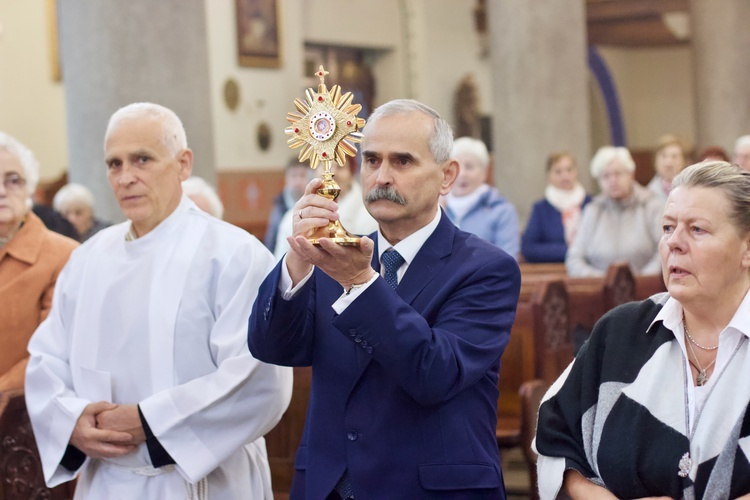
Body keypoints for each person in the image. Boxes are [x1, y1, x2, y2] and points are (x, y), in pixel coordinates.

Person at [248, 99, 521, 499]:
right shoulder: (337, 256)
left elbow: (435, 372)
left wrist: (360, 283)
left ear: (447, 176)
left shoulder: (485, 268)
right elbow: (271, 346)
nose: (382, 177)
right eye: (372, 160)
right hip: (328, 486)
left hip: (428, 489)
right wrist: (297, 260)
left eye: (403, 162)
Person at [25, 103, 292, 499]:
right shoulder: (88, 258)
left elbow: (260, 378)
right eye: (114, 164)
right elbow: (47, 359)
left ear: (183, 164)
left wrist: (150, 423)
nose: (125, 177)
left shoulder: (233, 253)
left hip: (201, 480)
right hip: (107, 480)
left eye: (142, 159)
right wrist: (72, 421)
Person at [535, 161, 750, 499]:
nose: (673, 244)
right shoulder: (621, 331)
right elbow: (555, 440)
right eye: (667, 227)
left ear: (747, 248)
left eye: (697, 229)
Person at [0, 132, 78, 391]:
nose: (1, 191)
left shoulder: (63, 255)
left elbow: (50, 354)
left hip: (20, 415)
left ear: (29, 189)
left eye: (13, 181)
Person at [566, 146, 663, 277]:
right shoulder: (593, 210)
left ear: (631, 174)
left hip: (647, 290)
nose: (612, 180)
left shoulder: (651, 206)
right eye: (606, 176)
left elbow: (664, 251)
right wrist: (602, 280)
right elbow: (574, 258)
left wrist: (641, 280)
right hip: (600, 290)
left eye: (618, 174)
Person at [273, 156, 377, 260]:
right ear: (314, 173)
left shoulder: (370, 217)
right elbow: (282, 266)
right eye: (325, 166)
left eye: (340, 167)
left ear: (351, 175)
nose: (333, 172)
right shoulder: (292, 218)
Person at [444, 136, 520, 259]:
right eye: (456, 167)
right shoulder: (434, 208)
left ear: (484, 172)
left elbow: (508, 260)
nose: (462, 174)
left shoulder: (501, 210)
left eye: (469, 167)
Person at [521, 152, 591, 263]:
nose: (565, 176)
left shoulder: (591, 204)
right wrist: (571, 251)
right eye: (558, 172)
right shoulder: (541, 209)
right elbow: (529, 249)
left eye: (569, 170)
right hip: (556, 268)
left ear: (576, 172)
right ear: (548, 175)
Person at [264, 158, 308, 252]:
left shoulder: (315, 205)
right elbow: (271, 242)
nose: (298, 181)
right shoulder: (279, 207)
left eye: (302, 175)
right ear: (286, 179)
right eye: (293, 176)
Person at [646, 134, 689, 201]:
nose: (668, 163)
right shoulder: (646, 195)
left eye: (674, 156)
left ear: (684, 161)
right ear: (655, 161)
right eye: (663, 156)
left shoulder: (692, 188)